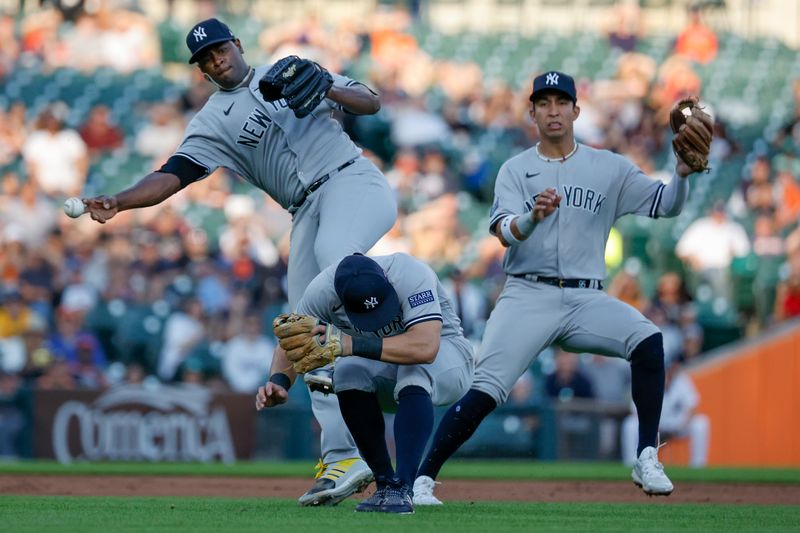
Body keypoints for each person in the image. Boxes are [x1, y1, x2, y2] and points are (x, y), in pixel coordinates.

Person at [79, 18, 397, 506]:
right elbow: (172, 175)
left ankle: (387, 332)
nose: (215, 59)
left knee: (334, 264)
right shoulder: (212, 121)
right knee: (300, 329)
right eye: (205, 58)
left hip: (353, 179)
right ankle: (342, 458)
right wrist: (121, 200)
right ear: (201, 70)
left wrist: (326, 81)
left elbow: (371, 101)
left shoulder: (290, 69)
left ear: (237, 45)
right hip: (304, 209)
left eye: (220, 49)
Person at [413, 70, 703, 503]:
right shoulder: (516, 169)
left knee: (648, 341)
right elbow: (504, 232)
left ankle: (646, 455)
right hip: (527, 293)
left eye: (561, 102)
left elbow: (665, 205)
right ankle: (421, 479)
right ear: (531, 112)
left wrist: (681, 174)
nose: (553, 110)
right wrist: (532, 217)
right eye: (544, 103)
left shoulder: (607, 166)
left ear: (576, 110)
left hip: (587, 296)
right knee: (487, 389)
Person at [256, 253, 474, 513]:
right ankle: (385, 484)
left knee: (413, 371)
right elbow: (292, 342)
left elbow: (426, 347)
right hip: (391, 372)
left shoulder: (410, 273)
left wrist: (350, 343)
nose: (378, 317)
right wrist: (279, 381)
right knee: (348, 371)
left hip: (449, 360)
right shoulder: (322, 291)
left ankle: (403, 488)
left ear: (385, 281)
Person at [621, 358, 709, 468]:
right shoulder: (646, 381)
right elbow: (635, 412)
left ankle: (698, 466)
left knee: (700, 423)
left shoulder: (681, 380)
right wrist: (651, 427)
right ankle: (631, 464)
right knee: (630, 424)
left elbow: (693, 407)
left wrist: (681, 425)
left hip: (678, 425)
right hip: (653, 426)